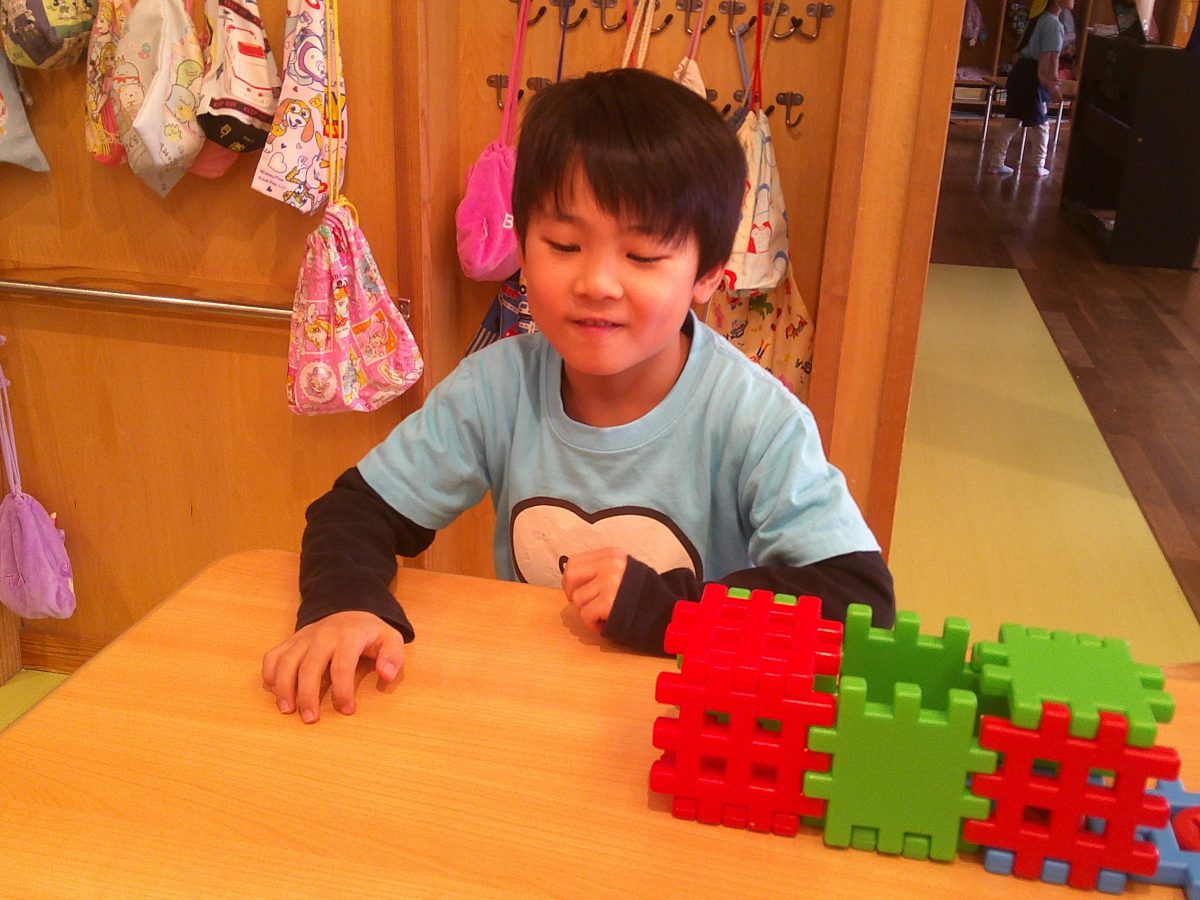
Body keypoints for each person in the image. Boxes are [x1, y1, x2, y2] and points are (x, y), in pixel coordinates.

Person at [261, 68, 896, 724]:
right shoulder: (495, 387)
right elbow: (356, 511)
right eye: (564, 244)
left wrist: (667, 611)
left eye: (643, 255)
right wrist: (345, 603)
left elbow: (859, 605)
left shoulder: (756, 418)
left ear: (708, 273)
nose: (596, 283)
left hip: (686, 724)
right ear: (523, 248)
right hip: (537, 708)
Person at [986, 0, 1075, 178]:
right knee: (1041, 124)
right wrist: (1052, 86)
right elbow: (1049, 60)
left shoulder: (1038, 19)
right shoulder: (1053, 24)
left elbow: (1019, 54)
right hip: (1032, 77)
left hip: (1019, 73)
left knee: (1011, 121)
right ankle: (1038, 165)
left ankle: (996, 163)